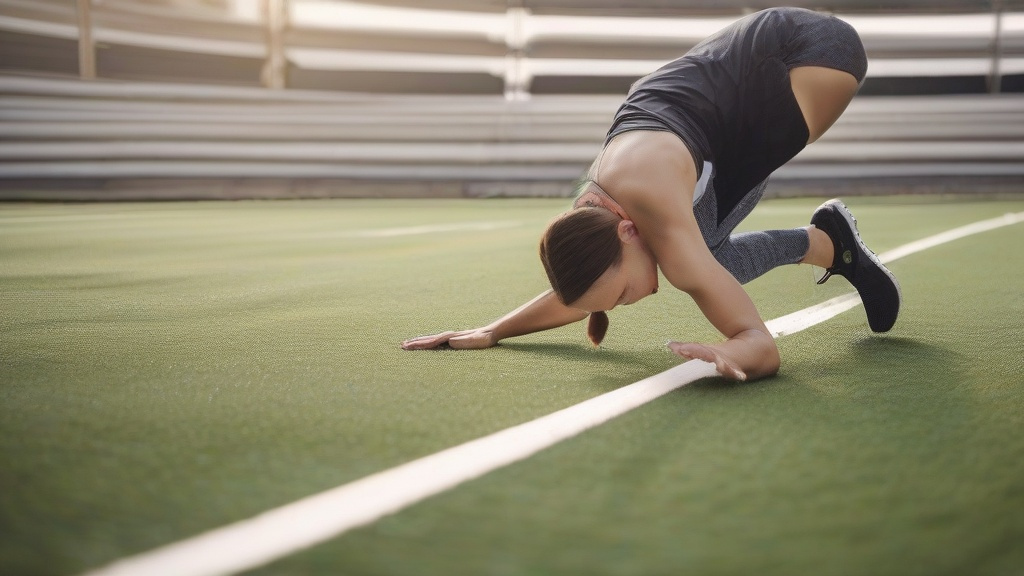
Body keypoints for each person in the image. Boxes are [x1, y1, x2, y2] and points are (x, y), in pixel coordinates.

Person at [402, 7, 901, 381]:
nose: (628, 302)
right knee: (701, 256)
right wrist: (495, 330)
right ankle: (828, 243)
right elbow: (583, 288)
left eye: (621, 295)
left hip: (817, 55)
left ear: (626, 230)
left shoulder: (649, 200)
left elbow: (761, 349)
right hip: (766, 65)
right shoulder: (594, 209)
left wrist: (734, 349)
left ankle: (824, 244)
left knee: (698, 263)